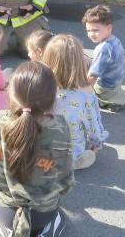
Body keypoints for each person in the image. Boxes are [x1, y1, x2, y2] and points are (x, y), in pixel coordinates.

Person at [0, 61, 74, 237]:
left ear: (11, 95)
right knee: (58, 213)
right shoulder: (60, 127)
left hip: (5, 211)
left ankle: (4, 229)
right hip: (44, 213)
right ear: (53, 98)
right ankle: (46, 230)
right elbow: (65, 174)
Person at [42, 34, 108, 170]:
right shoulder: (85, 95)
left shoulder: (38, 87)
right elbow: (93, 127)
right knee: (89, 153)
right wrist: (97, 143)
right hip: (68, 154)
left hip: (38, 151)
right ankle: (75, 162)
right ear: (79, 63)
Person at [82, 5, 125, 111]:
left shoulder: (103, 48)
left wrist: (83, 95)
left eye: (95, 30)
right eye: (88, 31)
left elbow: (93, 76)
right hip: (115, 83)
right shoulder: (114, 40)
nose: (91, 34)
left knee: (81, 65)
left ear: (109, 28)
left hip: (105, 88)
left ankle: (101, 98)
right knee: (84, 58)